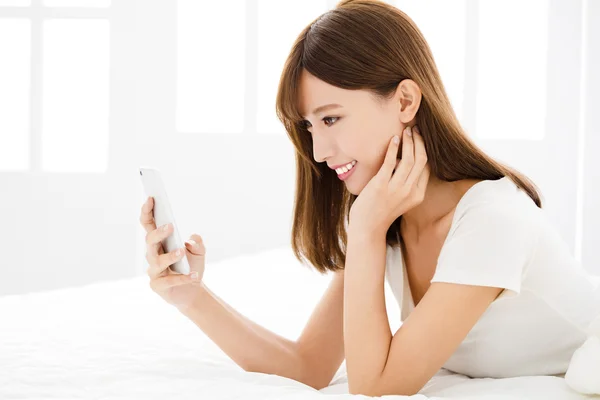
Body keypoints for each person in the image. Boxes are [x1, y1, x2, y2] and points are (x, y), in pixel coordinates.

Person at [139, 0, 600, 396]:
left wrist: (365, 231)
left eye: (332, 119)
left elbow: (376, 388)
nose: (319, 152)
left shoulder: (491, 220)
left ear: (404, 102)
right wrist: (192, 298)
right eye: (309, 126)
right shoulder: (389, 216)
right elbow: (308, 366)